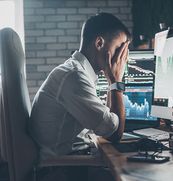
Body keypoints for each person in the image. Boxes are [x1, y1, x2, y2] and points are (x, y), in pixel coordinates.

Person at [28, 12, 131, 161]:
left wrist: (112, 81)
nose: (120, 59)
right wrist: (116, 80)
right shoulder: (74, 76)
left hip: (70, 160)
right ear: (99, 43)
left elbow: (107, 124)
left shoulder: (75, 71)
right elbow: (114, 133)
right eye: (118, 50)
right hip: (62, 171)